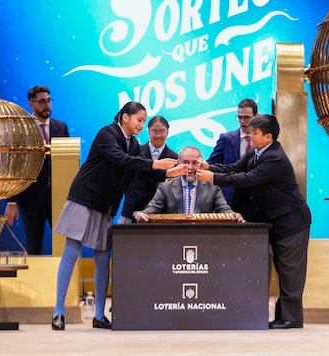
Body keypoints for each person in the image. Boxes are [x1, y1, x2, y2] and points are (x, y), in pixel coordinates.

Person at [51, 102, 185, 331]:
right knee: (72, 250)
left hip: (107, 204)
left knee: (103, 256)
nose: (142, 125)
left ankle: (100, 314)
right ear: (125, 117)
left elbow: (137, 169)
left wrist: (167, 172)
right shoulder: (107, 134)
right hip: (85, 198)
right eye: (139, 120)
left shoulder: (133, 143)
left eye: (144, 121)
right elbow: (121, 160)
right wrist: (156, 164)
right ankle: (58, 312)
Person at [196, 114, 311, 329]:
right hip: (277, 220)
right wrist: (209, 167)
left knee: (290, 272)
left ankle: (292, 319)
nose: (250, 137)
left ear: (268, 137)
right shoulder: (256, 153)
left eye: (255, 133)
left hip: (292, 221)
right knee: (283, 269)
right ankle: (283, 317)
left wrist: (212, 179)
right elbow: (234, 168)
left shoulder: (274, 157)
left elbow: (249, 179)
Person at [4, 85, 70, 255]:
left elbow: (67, 161)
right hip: (31, 198)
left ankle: (65, 281)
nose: (47, 105)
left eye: (49, 101)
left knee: (65, 245)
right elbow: (13, 164)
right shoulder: (21, 129)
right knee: (34, 248)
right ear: (31, 105)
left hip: (58, 197)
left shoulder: (61, 127)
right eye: (42, 102)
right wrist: (11, 201)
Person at [133, 146, 243, 223]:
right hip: (173, 238)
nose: (190, 167)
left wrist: (234, 216)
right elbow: (152, 209)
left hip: (203, 238)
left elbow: (225, 210)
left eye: (195, 163)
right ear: (178, 163)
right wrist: (142, 214)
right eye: (185, 163)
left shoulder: (212, 186)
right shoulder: (166, 186)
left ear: (201, 164)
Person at [118, 116, 178, 224]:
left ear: (168, 132)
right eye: (154, 131)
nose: (158, 135)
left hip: (161, 213)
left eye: (162, 131)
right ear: (148, 131)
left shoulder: (174, 158)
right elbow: (125, 179)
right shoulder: (135, 151)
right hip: (132, 209)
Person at [207, 98, 258, 211]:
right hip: (230, 197)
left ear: (256, 116)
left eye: (246, 117)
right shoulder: (226, 139)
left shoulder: (262, 141)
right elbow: (211, 164)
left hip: (256, 198)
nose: (242, 121)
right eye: (239, 117)